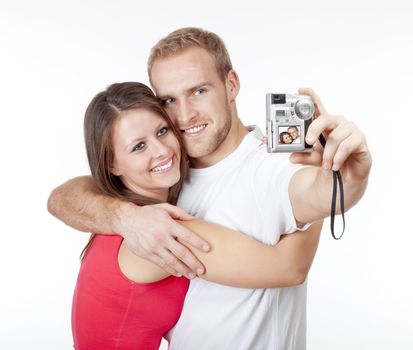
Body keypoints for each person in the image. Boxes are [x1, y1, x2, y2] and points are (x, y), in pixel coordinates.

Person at [48, 27, 372, 349]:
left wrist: (346, 177)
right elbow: (62, 197)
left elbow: (318, 194)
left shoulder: (272, 167)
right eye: (169, 100)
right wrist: (123, 217)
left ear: (231, 85)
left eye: (198, 91)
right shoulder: (161, 193)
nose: (185, 115)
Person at [72, 81, 322, 349]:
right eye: (138, 147)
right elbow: (289, 268)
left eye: (162, 131)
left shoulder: (120, 211)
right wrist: (318, 178)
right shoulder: (154, 233)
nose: (162, 150)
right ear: (111, 164)